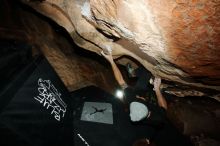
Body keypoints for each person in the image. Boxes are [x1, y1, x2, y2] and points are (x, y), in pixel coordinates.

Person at [101, 51, 193, 146]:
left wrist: (111, 60)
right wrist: (157, 89)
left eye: (137, 99)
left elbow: (120, 81)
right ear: (148, 112)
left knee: (142, 79)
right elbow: (163, 106)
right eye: (140, 99)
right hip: (154, 117)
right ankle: (150, 81)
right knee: (164, 93)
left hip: (136, 104)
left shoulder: (131, 99)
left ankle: (136, 73)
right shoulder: (157, 119)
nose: (139, 97)